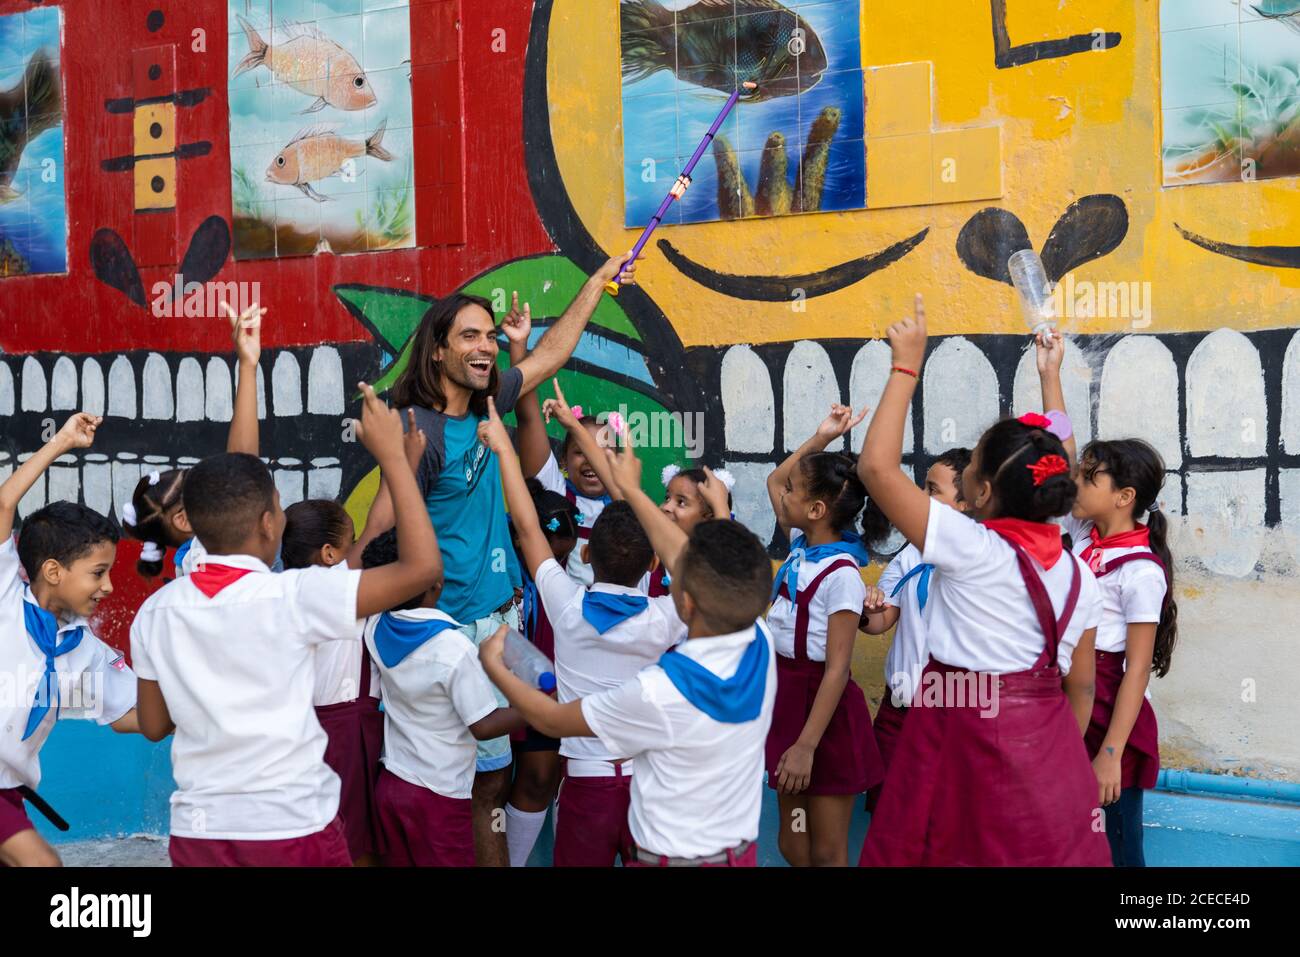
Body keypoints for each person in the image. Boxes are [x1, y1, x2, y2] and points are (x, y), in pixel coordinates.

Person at [375, 253, 636, 866]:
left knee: (493, 779)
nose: (487, 345)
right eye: (469, 335)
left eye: (489, 335)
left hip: (500, 622)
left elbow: (550, 356)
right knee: (458, 781)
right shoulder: (418, 430)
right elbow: (381, 531)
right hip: (446, 633)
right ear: (436, 351)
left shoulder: (490, 402)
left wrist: (597, 281)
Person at [131, 384, 439, 867]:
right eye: (276, 505)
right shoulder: (294, 597)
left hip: (200, 831)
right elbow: (420, 571)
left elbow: (153, 725)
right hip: (291, 827)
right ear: (268, 523)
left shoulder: (155, 613)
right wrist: (396, 463)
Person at [856, 295, 1110, 867]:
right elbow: (1083, 690)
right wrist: (1051, 376)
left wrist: (906, 366)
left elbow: (875, 468)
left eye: (969, 466)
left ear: (985, 494)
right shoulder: (1079, 572)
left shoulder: (970, 547)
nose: (963, 473)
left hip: (955, 740)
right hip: (1045, 752)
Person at [479, 430, 777, 867]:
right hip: (649, 795)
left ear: (585, 554)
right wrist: (718, 512)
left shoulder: (568, 608)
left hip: (588, 787)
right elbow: (713, 576)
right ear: (654, 563)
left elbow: (527, 528)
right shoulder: (688, 623)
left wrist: (506, 450)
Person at [0, 414, 140, 867]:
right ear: (54, 571)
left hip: (9, 791)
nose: (108, 588)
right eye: (98, 573)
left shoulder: (85, 651)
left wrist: (202, 707)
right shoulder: (4, 594)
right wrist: (60, 443)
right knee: (44, 865)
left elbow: (128, 714)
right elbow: (4, 505)